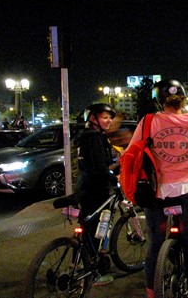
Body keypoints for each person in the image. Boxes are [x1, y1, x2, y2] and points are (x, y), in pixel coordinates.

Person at [126, 79, 188, 298]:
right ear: (183, 99)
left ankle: (152, 295)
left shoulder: (148, 121)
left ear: (159, 101)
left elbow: (132, 151)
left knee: (155, 245)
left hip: (157, 191)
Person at [73, 103, 116, 284]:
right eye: (105, 117)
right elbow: (100, 167)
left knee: (85, 227)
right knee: (95, 230)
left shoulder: (84, 136)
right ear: (93, 119)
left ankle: (76, 265)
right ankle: (92, 273)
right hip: (96, 188)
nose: (109, 121)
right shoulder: (95, 138)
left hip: (84, 187)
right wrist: (114, 179)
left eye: (110, 117)